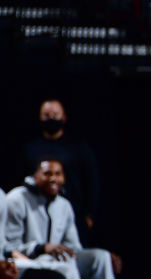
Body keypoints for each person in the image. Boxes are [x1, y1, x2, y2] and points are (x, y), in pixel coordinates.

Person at [4, 159, 141, 279]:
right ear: (34, 177)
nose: (53, 178)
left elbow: (73, 248)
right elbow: (9, 246)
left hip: (56, 260)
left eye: (58, 173)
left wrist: (99, 255)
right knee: (66, 267)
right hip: (29, 261)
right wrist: (42, 248)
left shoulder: (64, 204)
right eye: (47, 173)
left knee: (99, 258)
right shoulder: (16, 199)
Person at [18, 100, 100, 244]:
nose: (53, 179)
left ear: (64, 117)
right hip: (37, 214)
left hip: (75, 212)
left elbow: (91, 182)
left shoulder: (79, 147)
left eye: (55, 114)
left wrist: (89, 214)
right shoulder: (30, 149)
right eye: (46, 115)